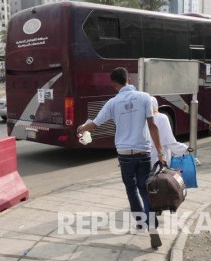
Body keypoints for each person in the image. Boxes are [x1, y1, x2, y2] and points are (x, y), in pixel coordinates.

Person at [77, 67, 165, 249]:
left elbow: (94, 124)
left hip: (125, 154)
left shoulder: (113, 102)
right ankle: (152, 226)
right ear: (128, 80)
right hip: (144, 152)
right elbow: (152, 126)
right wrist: (161, 152)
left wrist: (81, 128)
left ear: (114, 84)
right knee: (145, 189)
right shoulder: (144, 97)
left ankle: (140, 221)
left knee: (131, 188)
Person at [149, 96, 188, 167]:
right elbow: (169, 141)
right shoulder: (162, 118)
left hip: (142, 157)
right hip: (159, 156)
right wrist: (184, 148)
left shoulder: (140, 118)